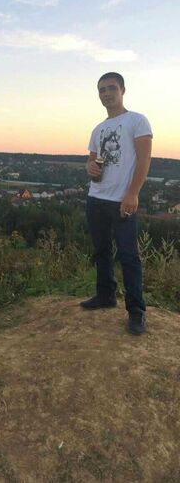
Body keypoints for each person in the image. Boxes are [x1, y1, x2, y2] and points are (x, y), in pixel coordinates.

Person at [80, 72, 153, 335]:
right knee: (101, 251)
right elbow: (92, 161)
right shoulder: (98, 129)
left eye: (111, 88)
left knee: (128, 256)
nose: (107, 93)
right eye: (102, 90)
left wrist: (133, 193)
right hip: (96, 198)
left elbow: (144, 160)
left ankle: (136, 311)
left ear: (123, 90)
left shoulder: (137, 121)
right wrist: (89, 167)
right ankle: (105, 295)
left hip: (122, 200)